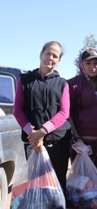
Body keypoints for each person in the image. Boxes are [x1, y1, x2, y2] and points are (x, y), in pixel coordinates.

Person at [14, 41, 72, 197]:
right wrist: (32, 133)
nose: (50, 57)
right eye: (48, 53)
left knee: (57, 187)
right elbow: (18, 109)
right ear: (41, 54)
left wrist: (43, 131)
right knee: (35, 188)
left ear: (58, 61)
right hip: (33, 143)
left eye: (55, 56)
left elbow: (64, 112)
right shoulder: (25, 80)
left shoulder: (62, 84)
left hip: (58, 142)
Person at [67, 47, 97, 182]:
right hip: (84, 144)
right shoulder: (73, 85)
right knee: (83, 184)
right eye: (88, 63)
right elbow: (68, 114)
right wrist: (77, 140)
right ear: (81, 65)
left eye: (95, 63)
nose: (92, 67)